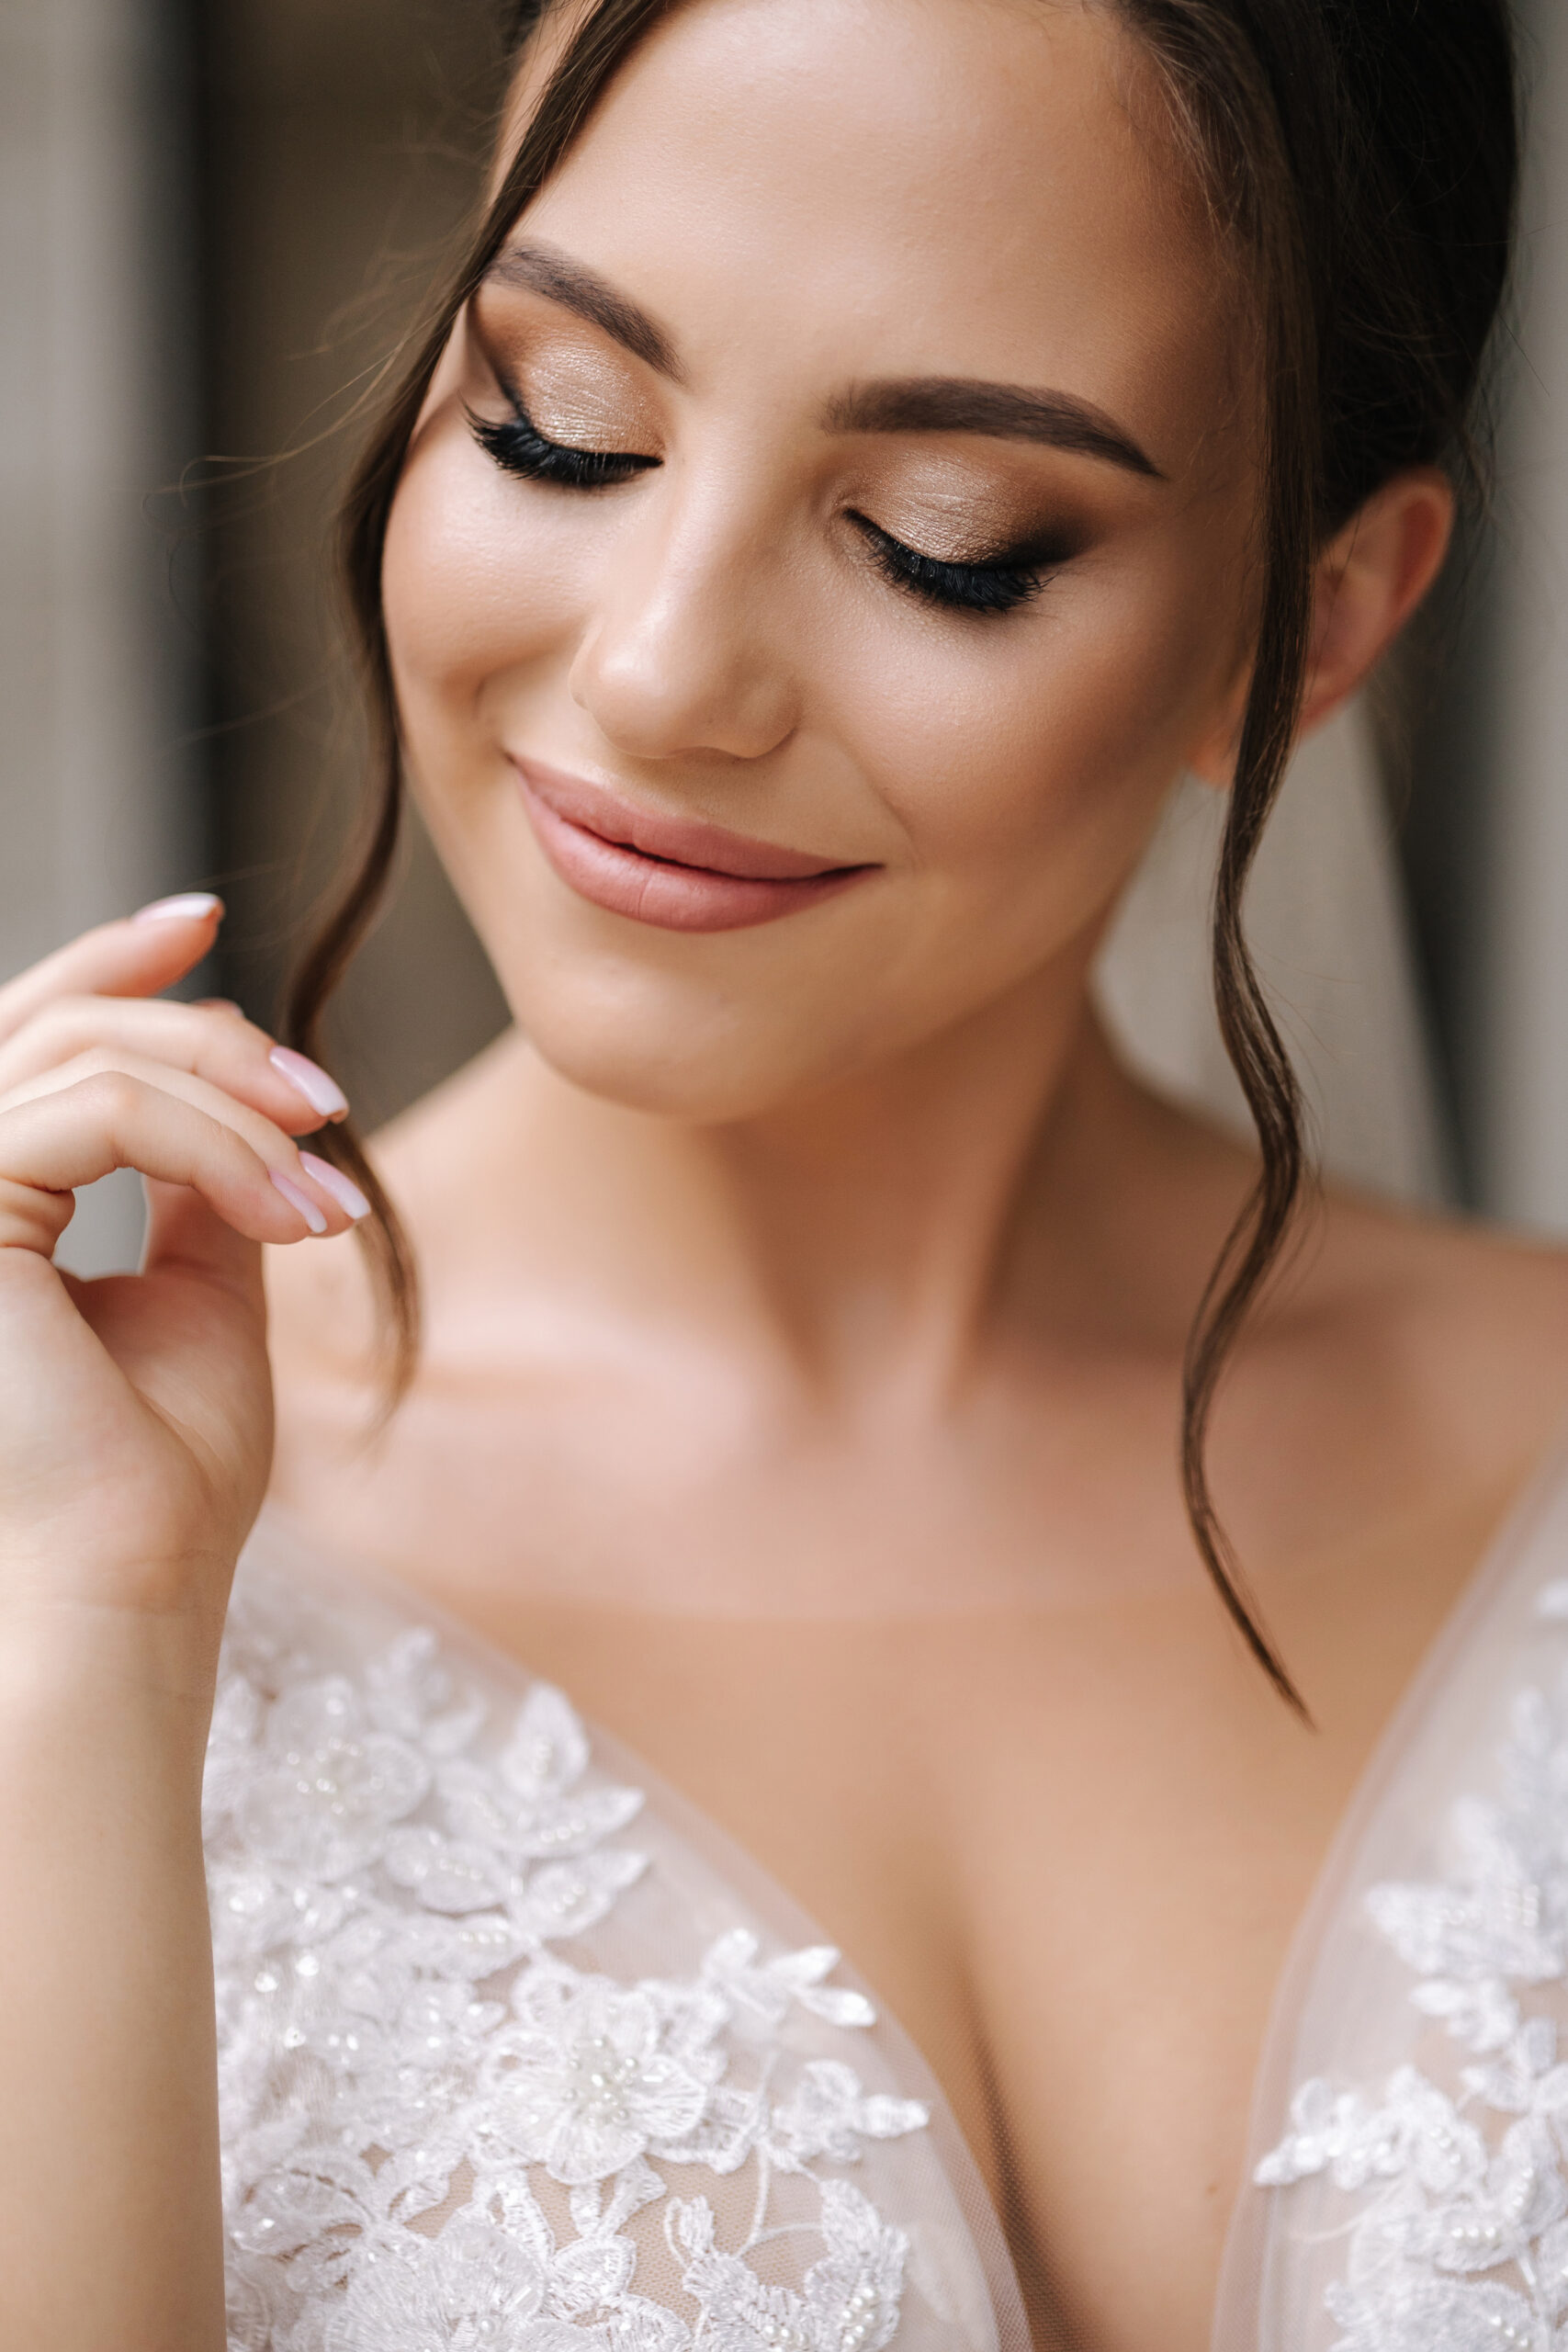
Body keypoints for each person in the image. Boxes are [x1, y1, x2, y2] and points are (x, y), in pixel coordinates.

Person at [0, 0, 1550, 2346]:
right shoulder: (67, 1516)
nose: (654, 673)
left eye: (948, 543)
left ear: (1312, 621)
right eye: (563, 423)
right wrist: (87, 1651)